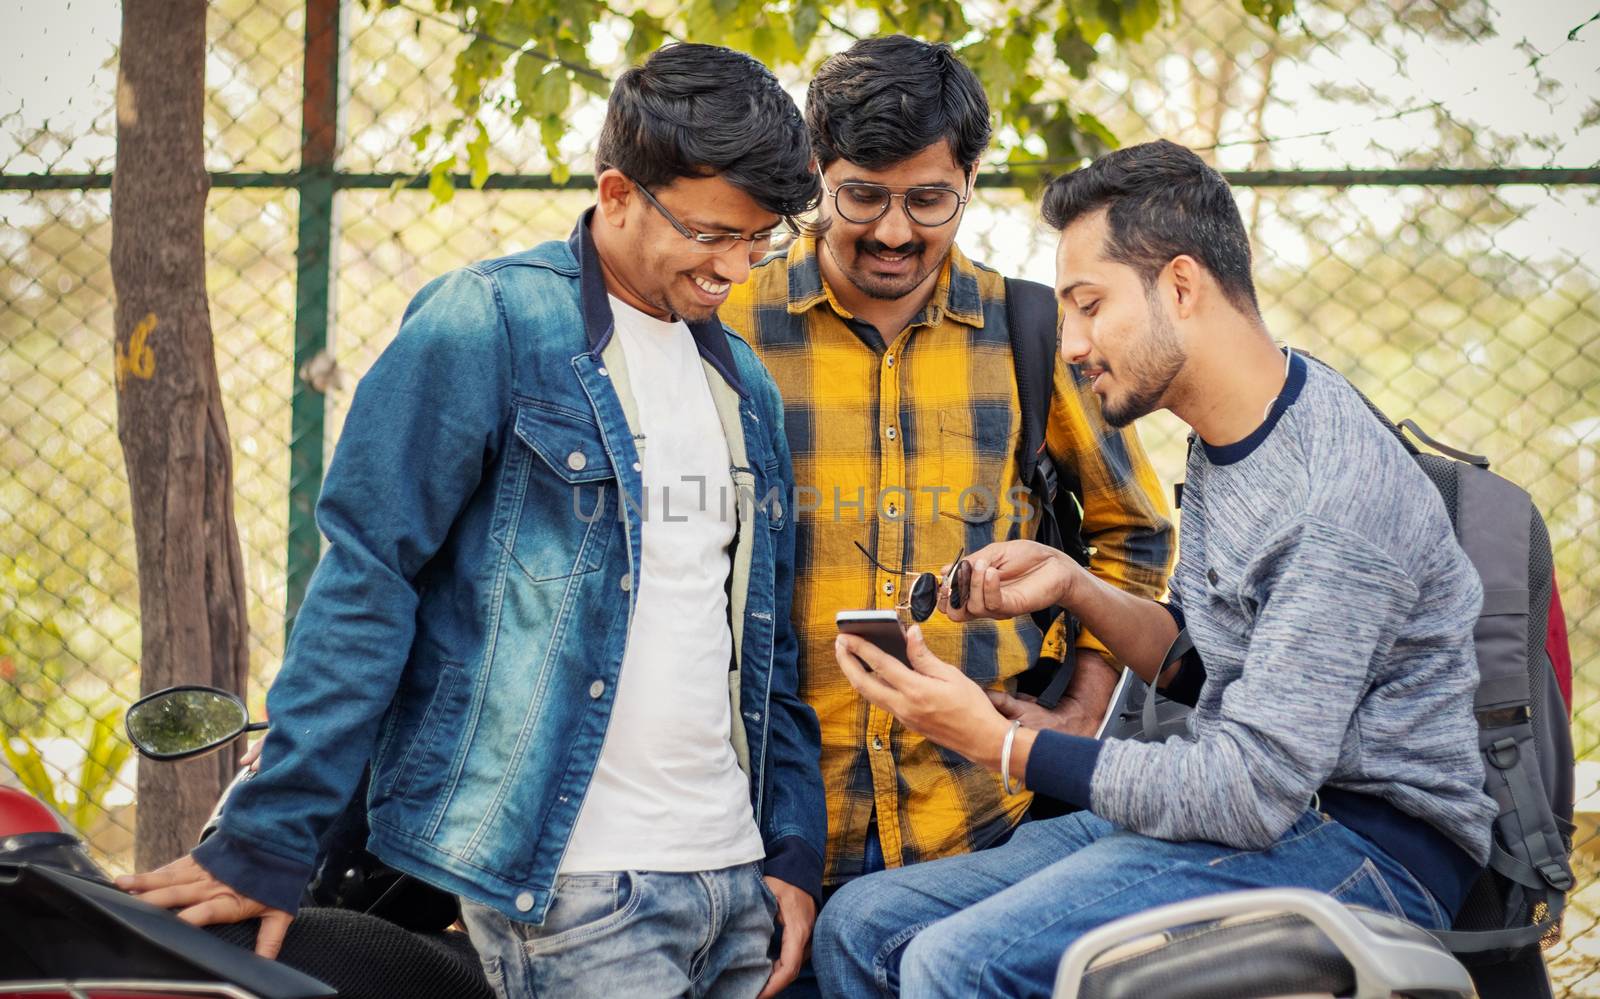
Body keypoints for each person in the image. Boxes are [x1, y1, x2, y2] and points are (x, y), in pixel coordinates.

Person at [117, 44, 826, 999]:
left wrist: (789, 846)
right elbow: (366, 582)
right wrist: (266, 836)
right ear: (616, 192)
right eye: (712, 233)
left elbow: (765, 647)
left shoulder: (743, 385)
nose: (737, 265)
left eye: (762, 239)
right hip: (574, 890)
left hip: (733, 889)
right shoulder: (485, 324)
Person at [815, 139, 1498, 998]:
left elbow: (1249, 789)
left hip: (1360, 842)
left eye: (1090, 305)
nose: (1068, 343)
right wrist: (1074, 584)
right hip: (1263, 811)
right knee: (863, 925)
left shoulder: (1332, 499)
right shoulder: (1239, 433)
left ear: (1181, 285)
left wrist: (1001, 743)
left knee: (958, 963)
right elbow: (1204, 661)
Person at [717, 35, 1173, 915]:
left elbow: (1135, 531)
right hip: (767, 830)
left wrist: (1082, 705)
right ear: (816, 174)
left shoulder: (1034, 331)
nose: (894, 231)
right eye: (862, 196)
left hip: (986, 825)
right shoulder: (728, 324)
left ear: (969, 181)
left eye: (929, 200)